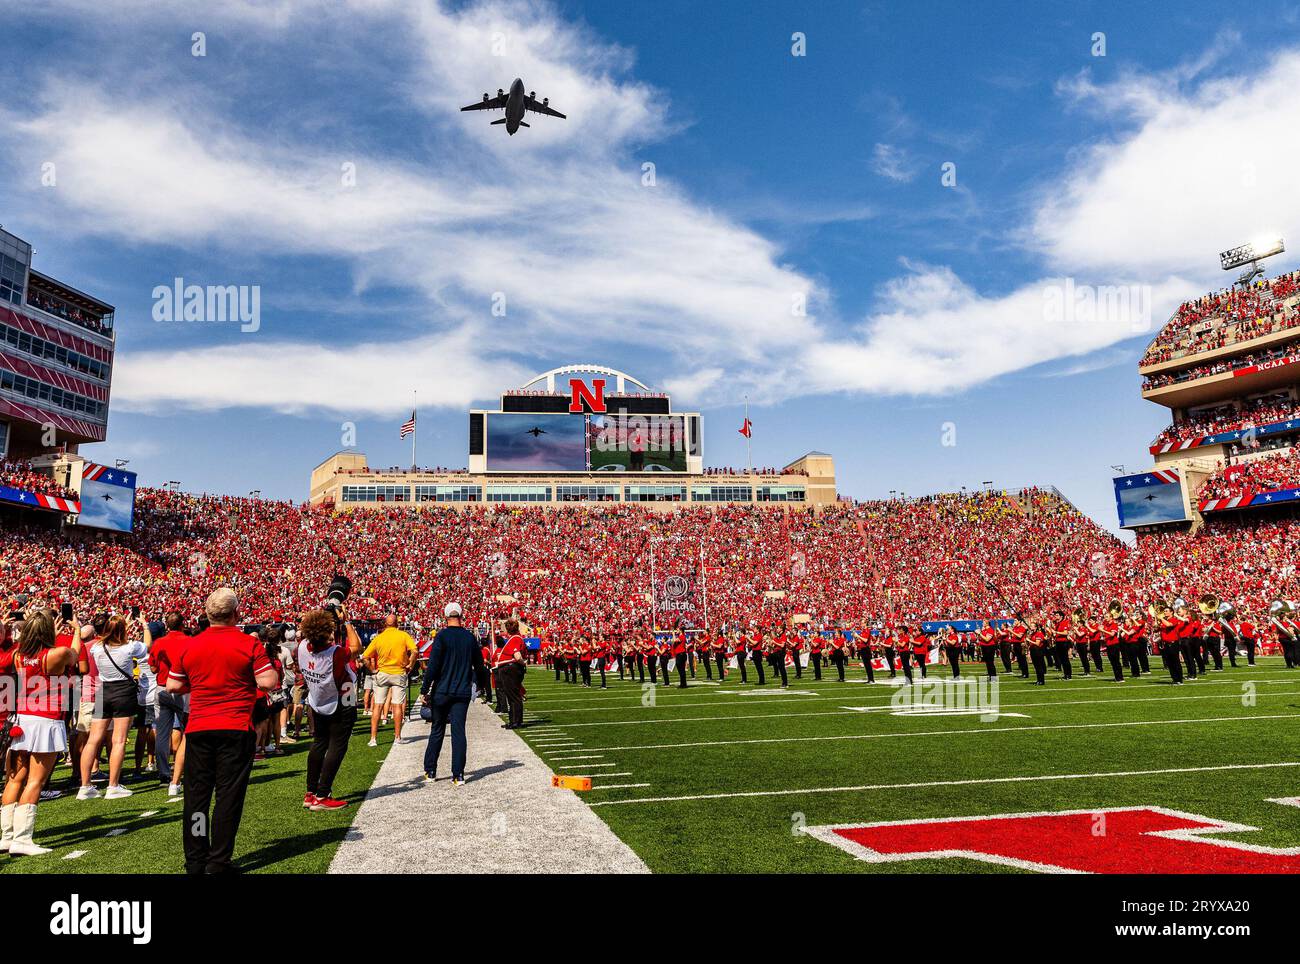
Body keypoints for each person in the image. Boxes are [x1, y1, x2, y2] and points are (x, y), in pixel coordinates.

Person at [165, 588, 279, 875]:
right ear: (236, 614)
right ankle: (218, 861)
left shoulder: (190, 645)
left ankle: (196, 860)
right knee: (228, 797)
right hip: (235, 726)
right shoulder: (247, 644)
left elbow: (173, 685)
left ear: (206, 614)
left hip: (200, 726)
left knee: (197, 797)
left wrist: (202, 685)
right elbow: (268, 681)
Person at [1, 610, 83, 855]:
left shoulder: (17, 655)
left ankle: (6, 836)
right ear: (49, 631)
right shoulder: (58, 652)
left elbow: (34, 655)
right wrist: (77, 631)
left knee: (15, 778)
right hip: (46, 720)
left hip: (23, 718)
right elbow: (75, 656)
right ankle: (23, 839)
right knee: (36, 780)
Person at [77, 614, 152, 800]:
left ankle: (85, 785)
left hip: (104, 692)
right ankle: (113, 785)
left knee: (93, 740)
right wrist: (145, 626)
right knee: (119, 740)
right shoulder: (130, 647)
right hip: (123, 692)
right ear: (122, 630)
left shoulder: (96, 648)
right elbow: (148, 645)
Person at [297, 608, 361, 810]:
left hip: (318, 698)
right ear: (327, 634)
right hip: (344, 695)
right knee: (339, 743)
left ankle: (311, 791)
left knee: (319, 742)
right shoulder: (335, 653)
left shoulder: (302, 648)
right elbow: (357, 647)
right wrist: (347, 621)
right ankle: (323, 794)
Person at [421, 603, 488, 784]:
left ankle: (431, 771)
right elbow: (480, 666)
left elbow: (433, 666)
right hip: (461, 691)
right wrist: (481, 686)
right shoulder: (469, 637)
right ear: (461, 615)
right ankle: (458, 774)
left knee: (437, 730)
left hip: (442, 690)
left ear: (445, 616)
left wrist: (424, 689)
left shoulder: (442, 636)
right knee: (459, 732)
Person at [361, 615, 416, 747]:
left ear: (385, 624)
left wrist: (373, 670)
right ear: (397, 623)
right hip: (399, 672)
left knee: (378, 705)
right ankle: (397, 737)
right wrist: (410, 665)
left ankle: (373, 738)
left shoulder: (379, 637)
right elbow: (414, 651)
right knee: (397, 705)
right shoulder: (403, 635)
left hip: (382, 673)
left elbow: (365, 657)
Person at [150, 612, 189, 798]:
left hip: (162, 687)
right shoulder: (188, 641)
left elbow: (153, 667)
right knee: (188, 731)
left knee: (162, 733)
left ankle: (164, 773)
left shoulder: (159, 643)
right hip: (182, 689)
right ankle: (185, 768)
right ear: (182, 624)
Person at [493, 617, 527, 729]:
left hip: (510, 669)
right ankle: (514, 720)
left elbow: (517, 656)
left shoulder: (515, 639)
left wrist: (523, 663)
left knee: (513, 696)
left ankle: (516, 721)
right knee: (512, 696)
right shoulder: (514, 638)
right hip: (510, 669)